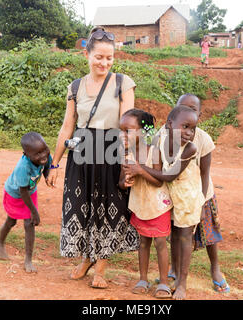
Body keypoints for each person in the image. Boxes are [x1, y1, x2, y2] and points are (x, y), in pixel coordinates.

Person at [47, 27, 139, 289]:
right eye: (99, 57)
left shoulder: (123, 83)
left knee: (109, 209)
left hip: (111, 152)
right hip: (82, 152)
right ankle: (86, 259)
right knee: (83, 206)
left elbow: (129, 126)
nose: (104, 63)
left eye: (109, 58)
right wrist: (55, 163)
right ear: (86, 54)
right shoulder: (75, 86)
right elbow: (67, 126)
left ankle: (101, 267)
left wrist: (128, 162)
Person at [125, 106, 203, 300]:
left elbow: (168, 175)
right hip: (164, 197)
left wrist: (140, 168)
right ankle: (168, 276)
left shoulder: (190, 148)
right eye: (185, 126)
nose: (189, 132)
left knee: (184, 238)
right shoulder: (159, 139)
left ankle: (181, 284)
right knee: (168, 238)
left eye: (192, 128)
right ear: (169, 124)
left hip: (186, 196)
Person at [174, 94, 230, 293]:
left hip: (201, 193)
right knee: (179, 233)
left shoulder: (203, 139)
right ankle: (174, 269)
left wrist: (201, 201)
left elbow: (205, 174)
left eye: (193, 110)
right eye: (183, 107)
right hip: (178, 193)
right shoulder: (167, 135)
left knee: (209, 235)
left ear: (200, 115)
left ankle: (215, 268)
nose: (188, 113)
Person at [118, 109, 174, 299]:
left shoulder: (154, 152)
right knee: (143, 242)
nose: (122, 135)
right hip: (140, 206)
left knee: (160, 243)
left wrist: (140, 170)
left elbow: (159, 182)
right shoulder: (126, 154)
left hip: (157, 206)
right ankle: (143, 279)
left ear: (144, 132)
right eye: (121, 130)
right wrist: (125, 182)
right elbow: (121, 183)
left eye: (128, 130)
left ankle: (164, 283)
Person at [0, 132, 52, 273]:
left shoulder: (46, 156)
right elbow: (23, 192)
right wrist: (35, 212)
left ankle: (28, 260)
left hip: (30, 193)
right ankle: (0, 244)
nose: (43, 155)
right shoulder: (23, 167)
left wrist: (47, 176)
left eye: (44, 149)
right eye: (37, 154)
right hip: (16, 194)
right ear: (26, 154)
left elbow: (48, 165)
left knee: (29, 223)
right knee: (11, 222)